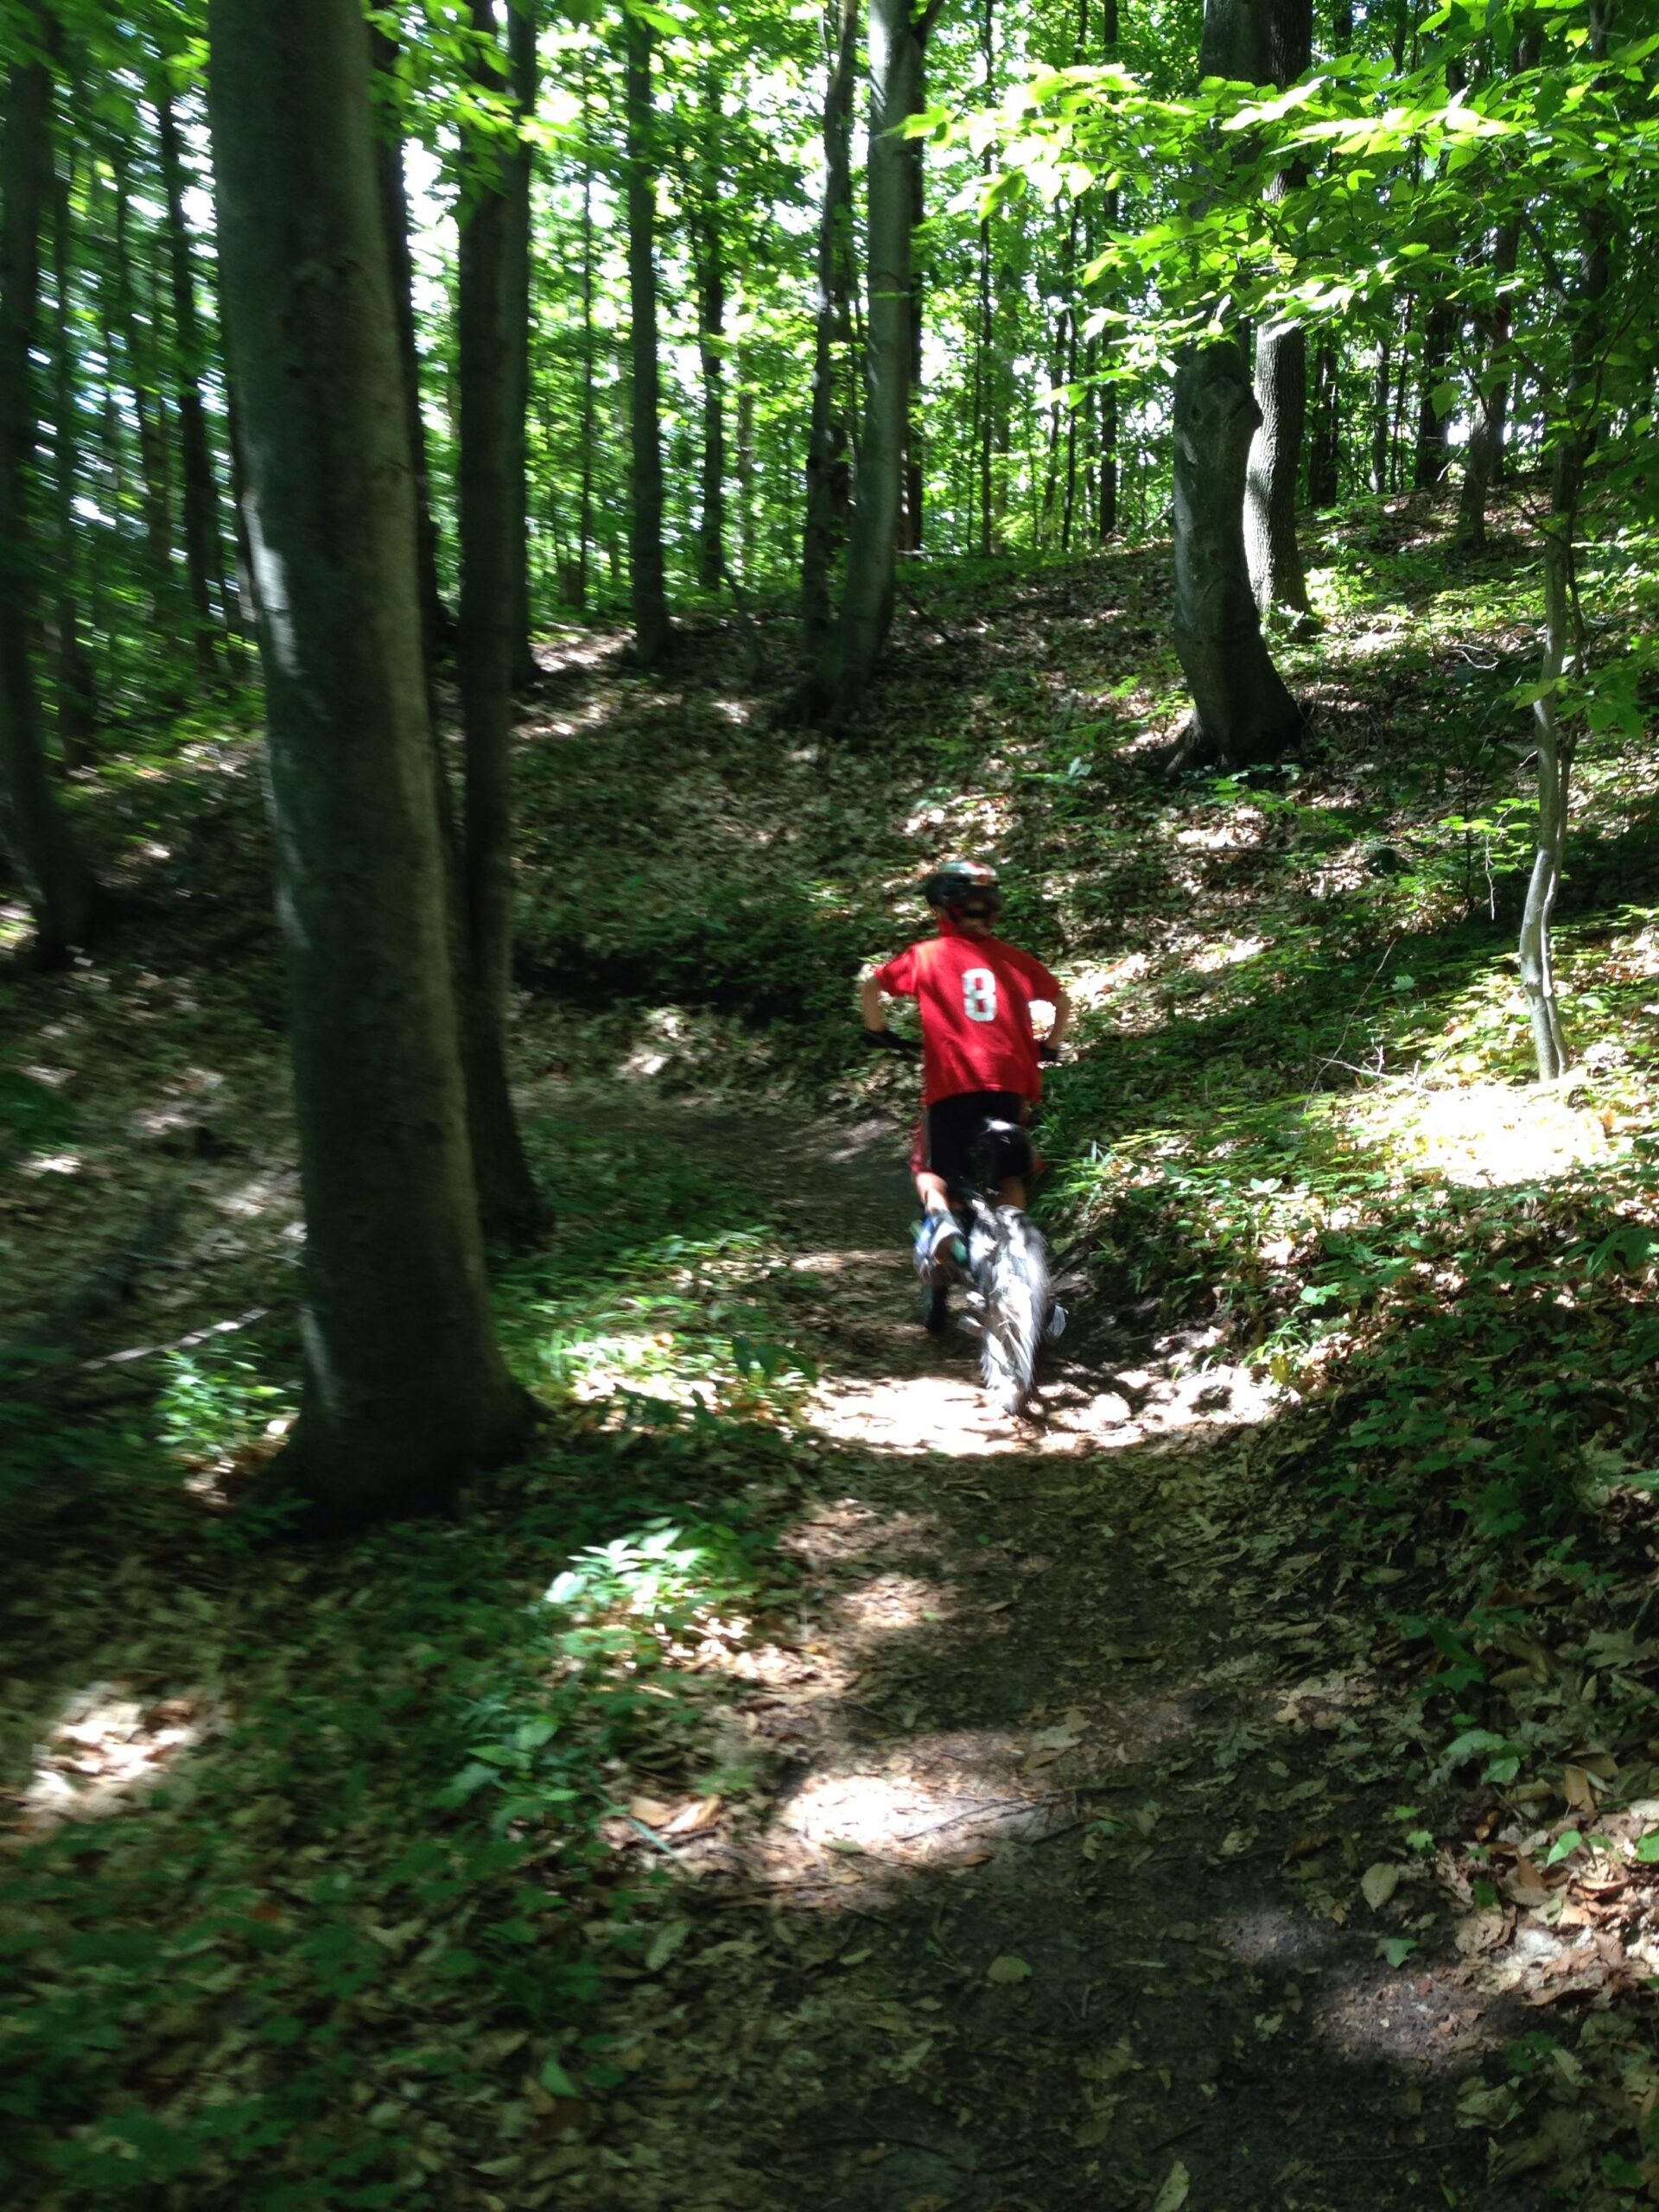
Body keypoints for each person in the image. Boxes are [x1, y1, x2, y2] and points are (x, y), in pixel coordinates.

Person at [859, 861, 1070, 1311]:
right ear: (992, 914)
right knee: (1010, 1173)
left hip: (953, 1082)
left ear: (942, 912)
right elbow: (1061, 1000)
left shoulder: (925, 955)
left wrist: (878, 1031)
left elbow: (871, 988)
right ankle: (1016, 1244)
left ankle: (941, 1220)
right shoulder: (1015, 958)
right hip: (1012, 1082)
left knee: (929, 1168)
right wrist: (1047, 1047)